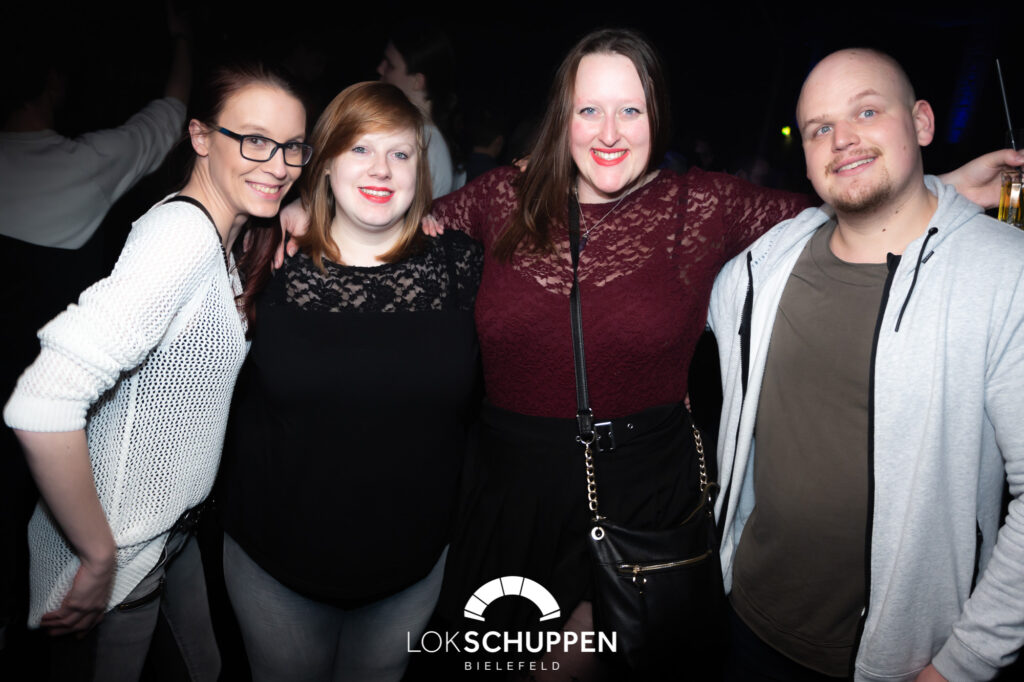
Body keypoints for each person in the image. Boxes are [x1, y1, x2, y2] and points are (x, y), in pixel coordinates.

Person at [281, 29, 1017, 679]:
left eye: (630, 110)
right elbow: (393, 221)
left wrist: (940, 184)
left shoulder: (704, 206)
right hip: (505, 498)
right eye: (589, 110)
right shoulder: (500, 197)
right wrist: (301, 209)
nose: (609, 132)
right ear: (563, 118)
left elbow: (846, 207)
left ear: (657, 116)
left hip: (640, 500)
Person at [709, 48, 1024, 682]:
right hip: (745, 621)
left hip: (906, 659)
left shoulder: (1004, 274)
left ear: (922, 123)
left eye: (867, 112)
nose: (842, 138)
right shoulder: (759, 270)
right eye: (819, 127)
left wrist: (963, 662)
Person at [2, 63, 308, 682]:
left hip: (168, 535)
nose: (278, 165)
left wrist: (297, 212)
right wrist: (98, 555)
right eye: (255, 140)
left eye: (293, 147)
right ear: (200, 136)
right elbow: (41, 401)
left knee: (204, 667)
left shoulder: (221, 233)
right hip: (121, 550)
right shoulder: (181, 238)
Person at [218, 81, 482, 682]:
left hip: (410, 572)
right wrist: (288, 209)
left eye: (400, 153)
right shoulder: (266, 258)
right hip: (275, 567)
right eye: (360, 149)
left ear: (420, 168)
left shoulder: (462, 267)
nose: (381, 169)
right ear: (326, 162)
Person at [377, 23, 463, 196]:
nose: (380, 69)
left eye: (391, 65)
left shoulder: (420, 143)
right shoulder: (428, 139)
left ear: (418, 81)